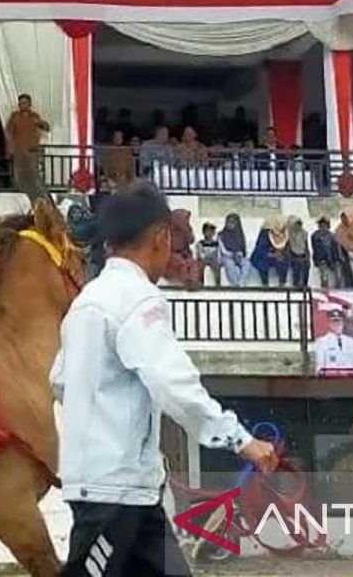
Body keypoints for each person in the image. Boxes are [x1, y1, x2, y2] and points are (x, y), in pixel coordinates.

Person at [52, 181, 276, 577]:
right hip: (114, 493)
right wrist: (241, 440)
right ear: (160, 238)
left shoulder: (86, 302)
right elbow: (174, 384)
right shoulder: (138, 299)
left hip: (127, 490)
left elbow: (59, 381)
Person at [5, 94, 50, 193]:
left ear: (29, 104)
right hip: (19, 151)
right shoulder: (14, 117)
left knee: (34, 175)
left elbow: (47, 128)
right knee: (19, 175)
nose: (22, 105)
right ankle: (20, 193)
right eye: (20, 103)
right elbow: (8, 132)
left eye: (24, 103)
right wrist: (10, 149)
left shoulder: (34, 116)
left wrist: (40, 123)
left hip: (32, 151)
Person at [163, 208, 203, 289]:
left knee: (193, 263)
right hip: (170, 255)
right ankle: (185, 283)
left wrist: (187, 231)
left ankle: (194, 282)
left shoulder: (187, 228)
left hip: (185, 253)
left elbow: (191, 240)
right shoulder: (167, 229)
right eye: (185, 219)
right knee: (181, 263)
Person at [314, 308, 353, 373]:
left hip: (350, 378)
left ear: (343, 323)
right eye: (334, 322)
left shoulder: (350, 341)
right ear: (329, 324)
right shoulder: (322, 342)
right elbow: (320, 366)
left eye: (339, 321)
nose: (337, 324)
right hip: (331, 379)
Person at [218, 213, 252, 287]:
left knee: (247, 264)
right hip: (226, 257)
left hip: (237, 257)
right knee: (230, 264)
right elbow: (223, 251)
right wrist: (232, 255)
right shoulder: (221, 235)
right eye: (228, 222)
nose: (229, 224)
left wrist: (240, 254)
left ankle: (241, 283)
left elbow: (243, 249)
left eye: (232, 222)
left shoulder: (240, 235)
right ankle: (235, 285)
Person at [311, 216, 340, 288]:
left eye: (324, 225)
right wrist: (316, 260)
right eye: (320, 225)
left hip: (332, 259)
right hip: (321, 260)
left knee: (337, 278)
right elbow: (314, 248)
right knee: (324, 278)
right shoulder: (315, 236)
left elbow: (335, 248)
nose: (322, 227)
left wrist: (336, 260)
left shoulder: (332, 236)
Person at [285, 216, 310, 287]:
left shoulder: (304, 233)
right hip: (293, 255)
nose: (297, 226)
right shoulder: (289, 234)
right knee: (296, 270)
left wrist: (307, 256)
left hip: (303, 254)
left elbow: (306, 246)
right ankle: (296, 286)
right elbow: (288, 247)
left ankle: (305, 286)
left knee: (305, 269)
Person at [196, 222, 221, 287]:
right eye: (207, 231)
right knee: (200, 266)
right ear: (204, 232)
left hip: (213, 260)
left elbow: (218, 253)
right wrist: (203, 257)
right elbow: (200, 253)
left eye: (211, 232)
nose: (209, 234)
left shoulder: (216, 243)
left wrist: (218, 259)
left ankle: (218, 283)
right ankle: (200, 283)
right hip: (204, 259)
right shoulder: (201, 243)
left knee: (217, 266)